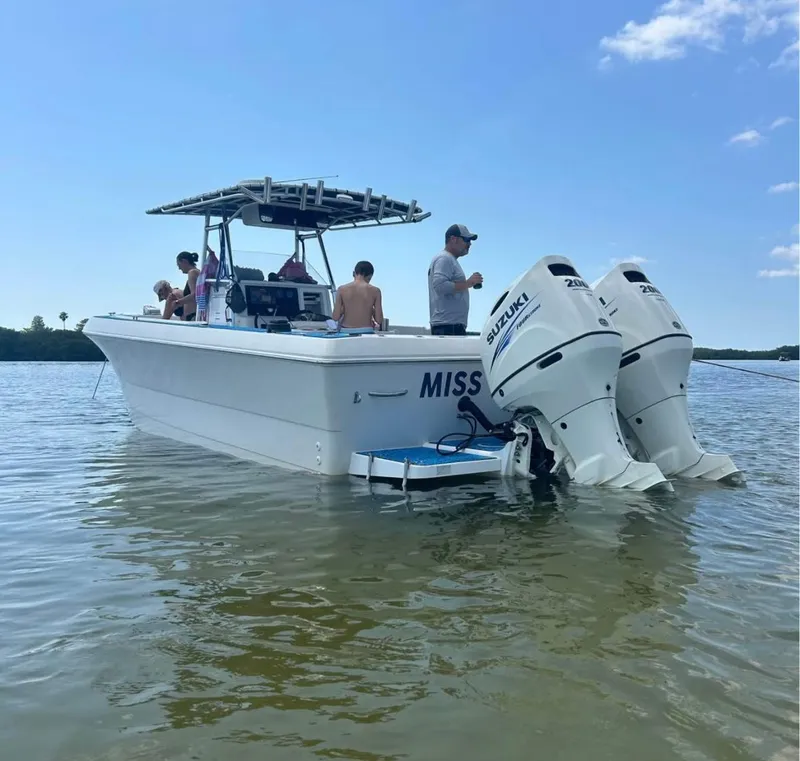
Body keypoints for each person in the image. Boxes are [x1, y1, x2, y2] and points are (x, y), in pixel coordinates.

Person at [428, 223, 483, 335]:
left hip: (448, 326)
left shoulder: (448, 259)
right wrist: (469, 283)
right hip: (448, 327)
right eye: (466, 240)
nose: (469, 244)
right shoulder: (445, 258)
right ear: (453, 239)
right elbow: (440, 286)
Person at [331, 260, 384, 330]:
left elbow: (335, 317)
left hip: (346, 331)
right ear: (370, 276)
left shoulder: (341, 289)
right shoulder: (376, 291)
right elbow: (379, 320)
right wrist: (371, 309)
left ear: (353, 273)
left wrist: (344, 309)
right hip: (366, 331)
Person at [169, 251, 201, 321]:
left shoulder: (192, 272)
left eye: (179, 265)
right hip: (193, 315)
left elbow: (194, 295)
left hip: (192, 316)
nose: (179, 268)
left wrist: (178, 302)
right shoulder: (198, 272)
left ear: (184, 261)